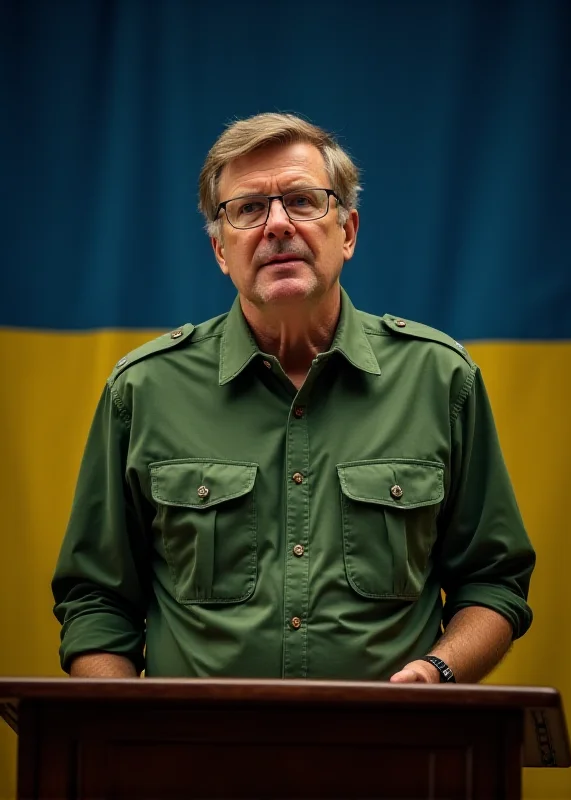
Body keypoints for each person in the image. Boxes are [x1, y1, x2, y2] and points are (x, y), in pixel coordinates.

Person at [52, 113, 535, 684]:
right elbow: (96, 601)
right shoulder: (144, 389)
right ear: (220, 251)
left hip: (390, 757)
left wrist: (438, 673)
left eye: (303, 201)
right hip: (195, 763)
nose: (278, 224)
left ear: (348, 231)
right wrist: (134, 734)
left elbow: (494, 579)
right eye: (249, 209)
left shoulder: (440, 380)